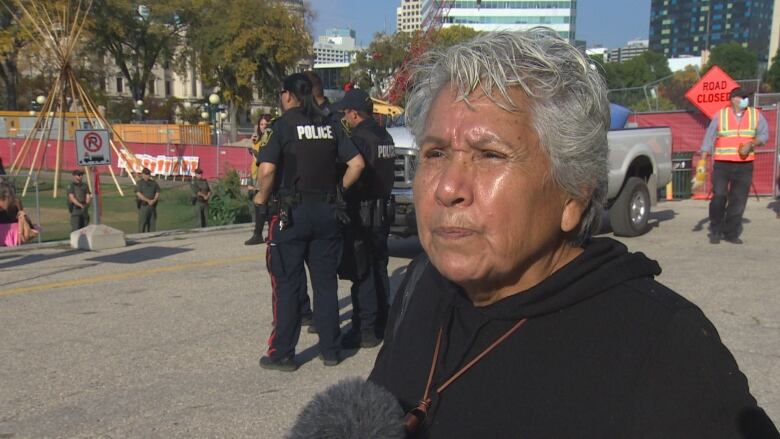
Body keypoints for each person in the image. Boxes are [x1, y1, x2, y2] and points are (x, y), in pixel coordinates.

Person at [368, 31, 778, 438]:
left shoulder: (661, 346)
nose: (447, 187)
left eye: (490, 155)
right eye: (435, 153)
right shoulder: (421, 283)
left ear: (574, 195)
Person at [255, 72, 365, 371]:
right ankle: (331, 350)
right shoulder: (332, 124)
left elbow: (266, 171)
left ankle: (282, 354)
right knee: (325, 284)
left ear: (288, 95)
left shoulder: (281, 126)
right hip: (328, 213)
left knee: (288, 284)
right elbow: (357, 164)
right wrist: (338, 190)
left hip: (291, 214)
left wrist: (260, 201)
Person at [332, 89, 396, 349]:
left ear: (354, 113)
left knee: (363, 271)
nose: (344, 118)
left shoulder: (359, 139)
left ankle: (365, 328)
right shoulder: (385, 135)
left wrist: (339, 192)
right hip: (382, 211)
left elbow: (351, 170)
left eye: (345, 113)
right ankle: (382, 320)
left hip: (363, 212)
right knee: (379, 266)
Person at [700, 87, 768, 244]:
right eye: (743, 97)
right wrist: (702, 161)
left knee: (738, 200)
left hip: (744, 165)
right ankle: (716, 229)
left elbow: (764, 134)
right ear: (733, 99)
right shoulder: (721, 115)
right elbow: (709, 137)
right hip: (722, 165)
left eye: (747, 97)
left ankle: (730, 233)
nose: (746, 100)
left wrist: (752, 143)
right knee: (719, 196)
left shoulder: (755, 115)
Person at [245, 114, 272, 245]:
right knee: (258, 205)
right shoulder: (257, 140)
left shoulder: (270, 139)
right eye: (261, 124)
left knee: (265, 205)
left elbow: (260, 159)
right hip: (256, 175)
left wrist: (255, 152)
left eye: (266, 124)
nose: (263, 127)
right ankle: (258, 233)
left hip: (266, 175)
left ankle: (263, 233)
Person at [0, 180, 38, 246]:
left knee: (24, 219)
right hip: (4, 232)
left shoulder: (16, 202)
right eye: (10, 196)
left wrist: (21, 232)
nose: (12, 198)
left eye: (12, 195)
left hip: (14, 230)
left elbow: (21, 219)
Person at [135, 168, 160, 233]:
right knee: (142, 223)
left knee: (152, 223)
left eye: (148, 174)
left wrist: (154, 200)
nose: (146, 176)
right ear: (142, 174)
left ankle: (151, 237)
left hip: (152, 206)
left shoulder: (153, 183)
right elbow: (138, 193)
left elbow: (157, 191)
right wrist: (148, 200)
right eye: (145, 174)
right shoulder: (140, 183)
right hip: (144, 206)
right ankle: (141, 237)